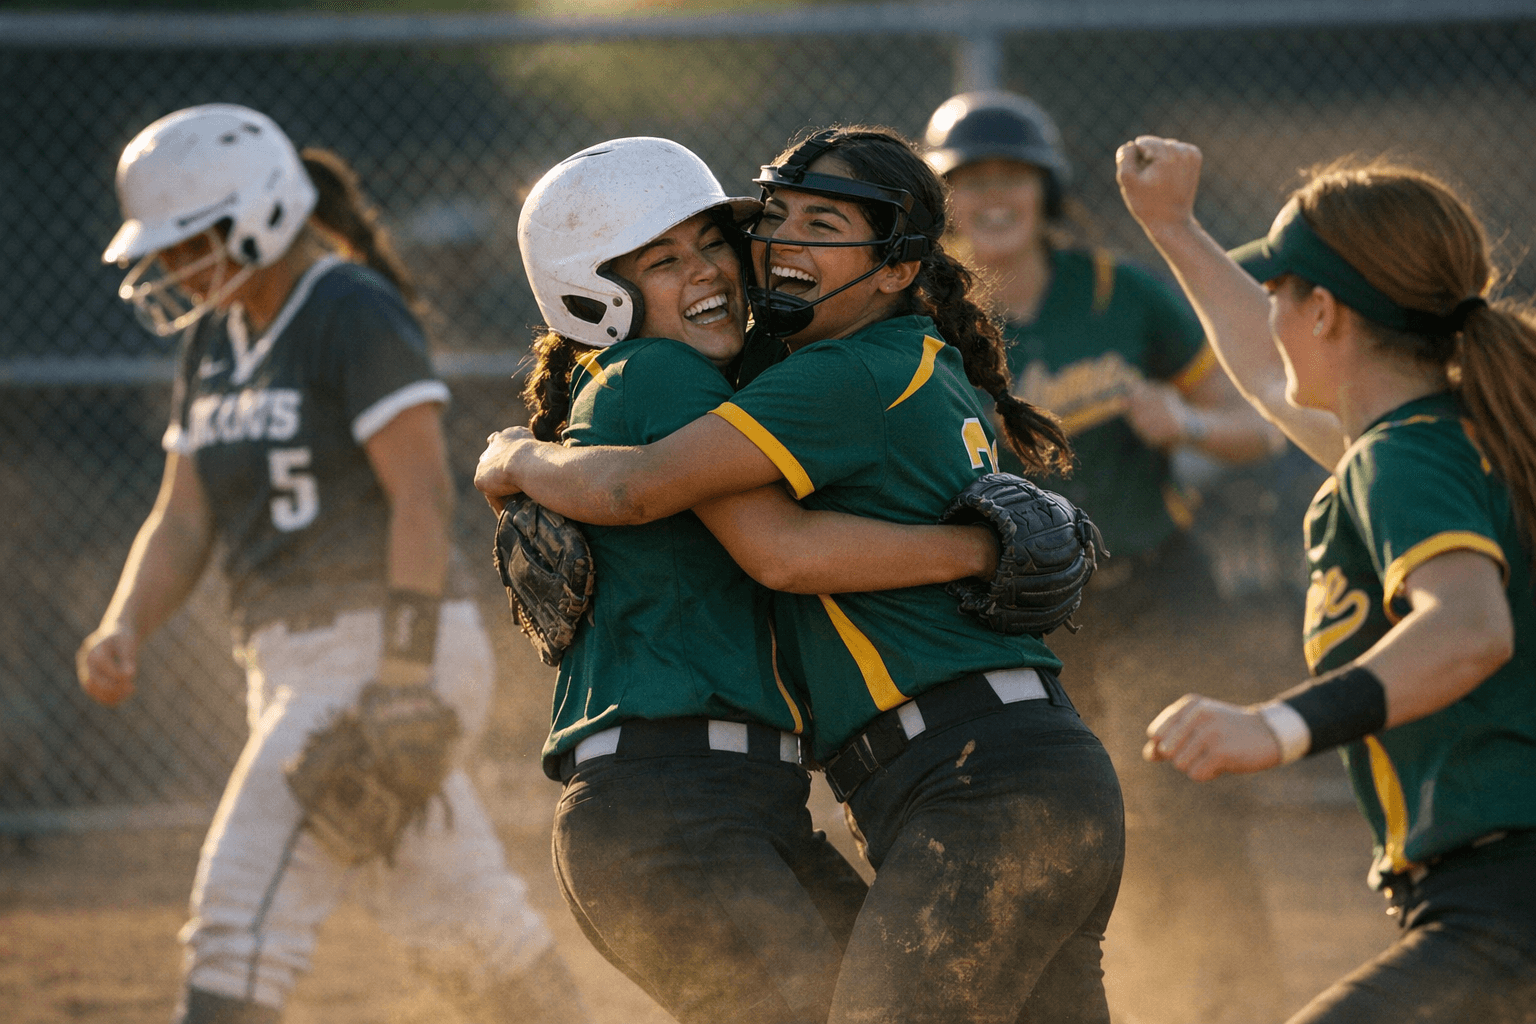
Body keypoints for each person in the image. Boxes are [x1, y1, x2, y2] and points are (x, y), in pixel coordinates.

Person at [478, 125, 1126, 1024]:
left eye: (714, 242)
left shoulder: (834, 374)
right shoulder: (666, 374)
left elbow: (754, 540)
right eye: (665, 259)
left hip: (951, 782)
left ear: (898, 267)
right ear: (590, 295)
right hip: (724, 804)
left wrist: (517, 456)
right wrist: (982, 551)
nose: (719, 266)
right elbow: (724, 529)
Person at [75, 104, 588, 1024]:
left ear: (262, 214)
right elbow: (182, 514)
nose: (170, 268)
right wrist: (125, 623)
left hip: (384, 644)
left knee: (240, 915)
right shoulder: (214, 337)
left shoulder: (348, 308)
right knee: (462, 921)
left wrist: (399, 674)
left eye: (189, 242)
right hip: (289, 663)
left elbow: (421, 498)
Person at [1120, 136, 1536, 1022]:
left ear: (1326, 313)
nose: (1267, 313)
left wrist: (1274, 727)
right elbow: (1272, 381)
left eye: (1278, 292)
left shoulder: (1407, 456)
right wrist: (1175, 227)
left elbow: (1468, 629)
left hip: (1509, 901)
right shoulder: (1463, 433)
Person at [920, 90, 1289, 1024]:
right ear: (938, 201)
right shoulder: (918, 316)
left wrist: (1189, 421)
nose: (991, 197)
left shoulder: (1117, 294)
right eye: (967, 181)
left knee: (1194, 800)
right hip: (1019, 613)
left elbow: (1261, 427)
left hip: (1156, 582)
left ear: (1047, 191)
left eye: (1011, 176)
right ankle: (1100, 994)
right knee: (1050, 814)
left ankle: (1237, 1000)